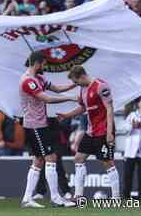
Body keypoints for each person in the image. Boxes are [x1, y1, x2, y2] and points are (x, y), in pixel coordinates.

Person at [19, 51, 77, 208]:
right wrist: (71, 98)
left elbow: (56, 89)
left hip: (39, 124)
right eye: (44, 64)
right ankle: (55, 198)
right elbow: (47, 98)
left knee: (38, 160)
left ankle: (27, 199)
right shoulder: (27, 81)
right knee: (50, 157)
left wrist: (75, 83)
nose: (44, 66)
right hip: (34, 125)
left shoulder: (38, 78)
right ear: (37, 63)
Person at [57, 65, 120, 199]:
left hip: (104, 130)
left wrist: (109, 133)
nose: (75, 84)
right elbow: (82, 108)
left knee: (107, 162)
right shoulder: (83, 89)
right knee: (78, 158)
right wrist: (67, 115)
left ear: (82, 76)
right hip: (91, 131)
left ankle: (116, 198)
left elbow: (109, 108)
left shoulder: (101, 86)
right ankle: (78, 196)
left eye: (75, 81)